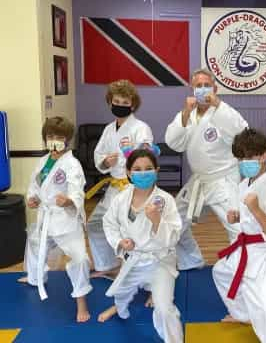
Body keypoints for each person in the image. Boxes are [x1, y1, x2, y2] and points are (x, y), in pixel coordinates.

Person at [212, 128, 266, 343]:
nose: (244, 162)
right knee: (220, 271)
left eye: (250, 157)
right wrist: (238, 217)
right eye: (241, 158)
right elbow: (249, 217)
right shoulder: (244, 184)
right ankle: (244, 315)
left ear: (264, 155)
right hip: (247, 247)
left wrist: (256, 210)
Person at [165, 68, 248, 270]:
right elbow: (174, 143)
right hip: (199, 182)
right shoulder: (188, 115)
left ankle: (244, 270)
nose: (202, 89)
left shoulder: (223, 111)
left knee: (238, 228)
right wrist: (185, 112)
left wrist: (217, 104)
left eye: (206, 85)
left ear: (215, 88)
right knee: (173, 223)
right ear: (192, 89)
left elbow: (242, 132)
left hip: (224, 179)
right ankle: (192, 259)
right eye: (198, 86)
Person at [98, 148, 183, 343]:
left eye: (148, 168)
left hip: (159, 260)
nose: (143, 172)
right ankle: (118, 307)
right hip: (133, 259)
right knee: (120, 294)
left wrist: (156, 221)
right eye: (137, 169)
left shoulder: (165, 200)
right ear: (128, 172)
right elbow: (109, 223)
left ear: (156, 170)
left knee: (164, 308)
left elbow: (174, 236)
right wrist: (120, 241)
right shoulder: (121, 199)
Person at [18, 117, 92, 322]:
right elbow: (35, 185)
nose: (54, 140)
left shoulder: (72, 164)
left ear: (67, 140)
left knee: (80, 259)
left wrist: (69, 201)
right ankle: (35, 277)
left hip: (65, 221)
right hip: (46, 217)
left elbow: (77, 191)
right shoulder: (43, 161)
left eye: (59, 137)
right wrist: (32, 199)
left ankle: (81, 301)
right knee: (34, 243)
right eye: (50, 136)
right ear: (45, 139)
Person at [86, 80, 154, 278]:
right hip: (114, 187)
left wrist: (132, 154)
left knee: (131, 231)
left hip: (133, 188)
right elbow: (98, 155)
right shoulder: (108, 129)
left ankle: (139, 273)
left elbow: (146, 157)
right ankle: (106, 264)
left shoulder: (141, 128)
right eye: (116, 101)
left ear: (132, 105)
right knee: (96, 224)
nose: (120, 105)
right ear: (110, 103)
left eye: (125, 102)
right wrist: (106, 162)